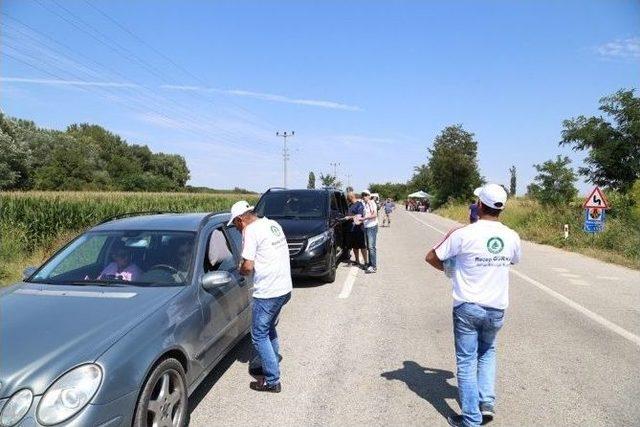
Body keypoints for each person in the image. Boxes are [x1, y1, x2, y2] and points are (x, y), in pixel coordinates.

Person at [424, 183, 522, 427]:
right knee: (487, 352)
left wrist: (452, 271)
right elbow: (514, 260)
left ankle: (470, 419)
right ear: (502, 209)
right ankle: (485, 403)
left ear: (479, 205)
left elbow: (431, 257)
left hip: (468, 306)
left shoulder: (464, 234)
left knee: (467, 361)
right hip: (497, 307)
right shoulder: (511, 236)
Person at [230, 200, 292, 393]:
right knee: (268, 329)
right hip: (284, 288)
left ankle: (272, 381)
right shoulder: (272, 224)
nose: (237, 229)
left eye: (235, 225)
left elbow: (247, 267)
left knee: (258, 336)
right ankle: (269, 365)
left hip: (268, 292)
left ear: (241, 220)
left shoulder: (251, 231)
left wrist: (238, 271)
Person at [346, 192, 368, 268]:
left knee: (362, 246)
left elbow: (359, 216)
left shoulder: (359, 205)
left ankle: (366, 262)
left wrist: (349, 217)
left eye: (348, 198)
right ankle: (357, 261)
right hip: (351, 228)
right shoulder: (350, 205)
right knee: (355, 246)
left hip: (359, 228)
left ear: (351, 197)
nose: (347, 199)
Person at [361, 190, 379, 274]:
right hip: (367, 226)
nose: (364, 196)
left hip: (372, 226)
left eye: (365, 195)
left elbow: (375, 215)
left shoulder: (371, 203)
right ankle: (370, 264)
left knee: (371, 247)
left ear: (369, 195)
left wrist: (364, 218)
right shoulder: (365, 204)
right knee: (368, 247)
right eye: (363, 195)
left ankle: (373, 266)